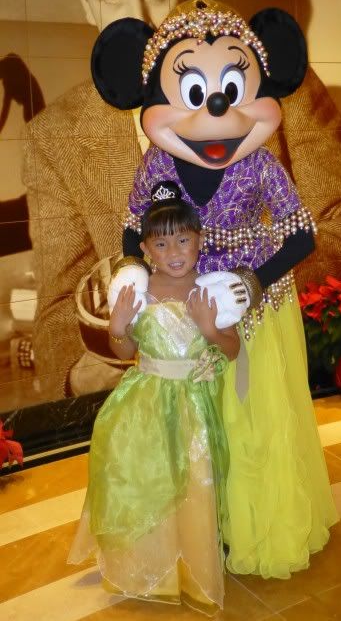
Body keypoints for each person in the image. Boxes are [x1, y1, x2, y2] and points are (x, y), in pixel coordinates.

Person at [23, 0, 341, 401]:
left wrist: (247, 288)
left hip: (277, 382)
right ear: (85, 1)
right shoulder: (54, 137)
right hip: (156, 400)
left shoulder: (271, 86)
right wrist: (88, 372)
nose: (140, 19)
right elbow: (56, 317)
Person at [92, 0, 340, 580]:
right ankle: (203, 531)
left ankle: (253, 529)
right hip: (182, 310)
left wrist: (253, 281)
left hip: (253, 310)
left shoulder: (260, 166)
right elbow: (134, 225)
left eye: (231, 87)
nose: (217, 107)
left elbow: (302, 234)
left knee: (252, 424)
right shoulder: (157, 165)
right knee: (195, 431)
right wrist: (134, 269)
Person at [68, 196, 239, 614]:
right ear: (145, 249)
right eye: (161, 244)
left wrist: (209, 329)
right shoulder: (138, 291)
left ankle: (193, 570)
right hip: (143, 404)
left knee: (194, 484)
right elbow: (125, 350)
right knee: (148, 481)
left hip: (193, 407)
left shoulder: (212, 290)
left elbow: (232, 349)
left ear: (199, 240)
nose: (173, 252)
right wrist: (118, 326)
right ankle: (153, 571)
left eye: (183, 240)